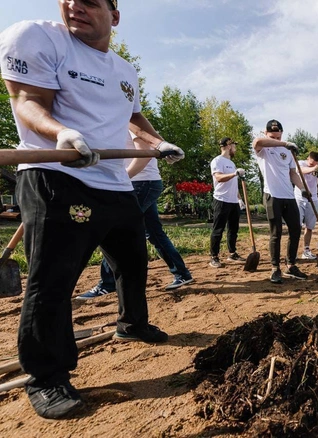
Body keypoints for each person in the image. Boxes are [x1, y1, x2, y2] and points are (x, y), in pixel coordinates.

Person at [0, 0, 185, 419]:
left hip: (114, 181)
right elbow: (28, 100)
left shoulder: (123, 70)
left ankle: (132, 323)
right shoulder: (39, 37)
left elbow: (133, 116)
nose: (74, 5)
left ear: (114, 15)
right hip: (57, 175)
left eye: (90, 0)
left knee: (134, 262)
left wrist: (157, 143)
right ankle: (46, 375)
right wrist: (62, 133)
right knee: (54, 277)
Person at [76, 134, 194, 299]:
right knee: (154, 233)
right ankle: (182, 273)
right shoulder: (127, 123)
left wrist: (121, 177)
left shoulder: (130, 121)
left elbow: (144, 153)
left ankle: (108, 283)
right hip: (145, 183)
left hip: (140, 183)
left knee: (113, 230)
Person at [253, 119, 309, 284]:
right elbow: (257, 142)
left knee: (296, 229)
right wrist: (283, 143)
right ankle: (275, 268)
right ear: (266, 133)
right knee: (276, 233)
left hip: (289, 196)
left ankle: (290, 265)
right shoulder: (263, 149)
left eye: (278, 137)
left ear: (282, 134)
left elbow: (293, 173)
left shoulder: (288, 152)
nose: (276, 140)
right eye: (273, 137)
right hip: (272, 196)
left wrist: (303, 188)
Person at [209, 137, 246, 267]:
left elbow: (233, 184)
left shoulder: (232, 163)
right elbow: (218, 178)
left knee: (233, 229)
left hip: (233, 201)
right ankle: (214, 257)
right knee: (218, 229)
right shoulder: (217, 161)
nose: (235, 149)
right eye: (234, 146)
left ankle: (232, 253)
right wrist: (234, 174)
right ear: (229, 146)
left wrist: (239, 199)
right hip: (221, 200)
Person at [295, 151, 318, 260]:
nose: (312, 164)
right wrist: (313, 168)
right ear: (308, 159)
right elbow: (301, 171)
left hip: (313, 199)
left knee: (309, 226)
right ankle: (293, 252)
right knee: (296, 226)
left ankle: (306, 250)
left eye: (315, 163)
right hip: (299, 197)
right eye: (311, 163)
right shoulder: (301, 163)